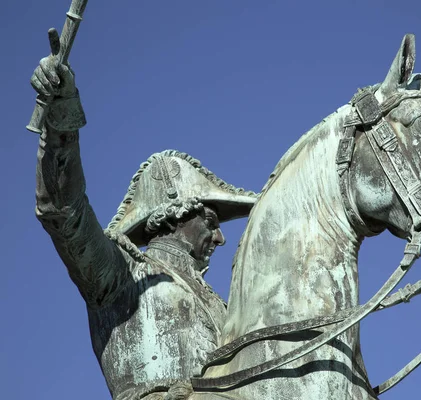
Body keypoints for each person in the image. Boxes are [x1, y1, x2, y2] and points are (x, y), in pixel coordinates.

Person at [31, 47, 257, 400]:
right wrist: (61, 115)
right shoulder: (119, 275)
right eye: (210, 220)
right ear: (175, 215)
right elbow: (63, 210)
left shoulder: (223, 308)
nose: (220, 237)